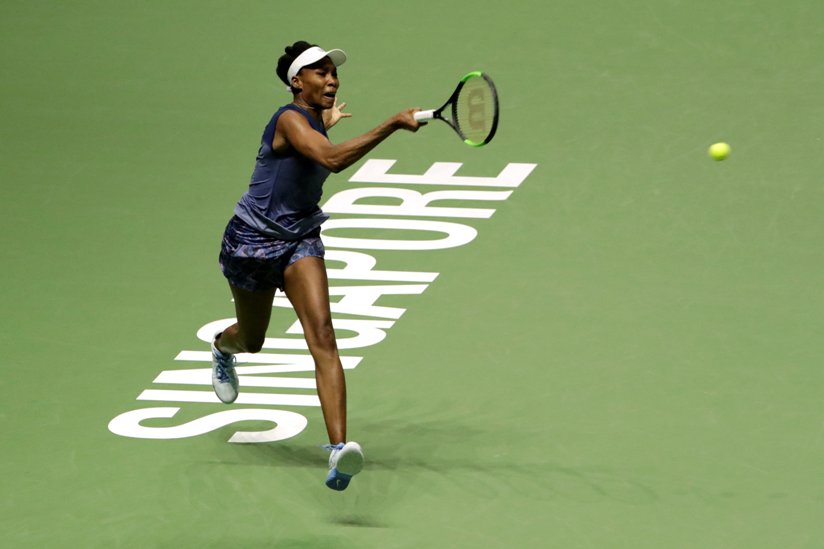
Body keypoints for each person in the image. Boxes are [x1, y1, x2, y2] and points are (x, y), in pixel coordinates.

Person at [211, 41, 423, 491]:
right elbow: (329, 159)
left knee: (323, 335)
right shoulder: (287, 118)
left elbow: (317, 147)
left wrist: (323, 122)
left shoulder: (310, 120)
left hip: (300, 239)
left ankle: (337, 452)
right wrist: (391, 124)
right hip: (251, 241)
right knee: (252, 341)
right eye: (320, 73)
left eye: (334, 73)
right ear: (296, 81)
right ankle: (222, 348)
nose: (332, 80)